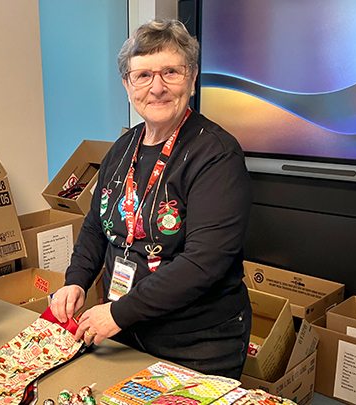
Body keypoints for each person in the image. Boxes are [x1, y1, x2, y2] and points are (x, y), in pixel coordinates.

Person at [50, 18, 253, 379]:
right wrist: (76, 280)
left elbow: (204, 262)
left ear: (191, 78)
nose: (156, 88)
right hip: (127, 335)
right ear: (127, 85)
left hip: (195, 344)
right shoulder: (122, 148)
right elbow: (97, 226)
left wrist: (117, 313)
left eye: (170, 72)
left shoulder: (217, 154)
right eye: (142, 75)